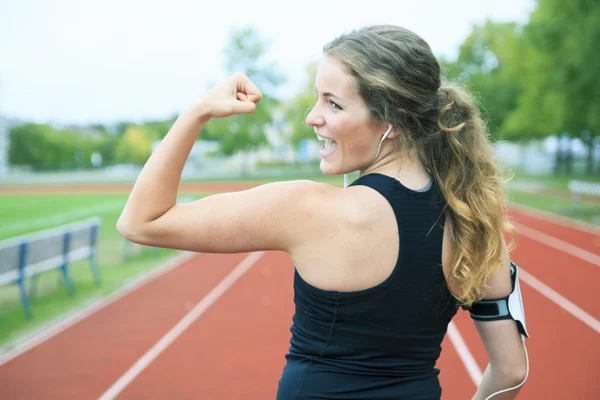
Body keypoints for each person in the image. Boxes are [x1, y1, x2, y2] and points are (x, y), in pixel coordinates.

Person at [117, 24, 528, 400]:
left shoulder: (307, 210)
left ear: (393, 117)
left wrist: (198, 111)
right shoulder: (473, 222)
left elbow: (142, 221)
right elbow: (511, 371)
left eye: (333, 104)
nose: (312, 117)